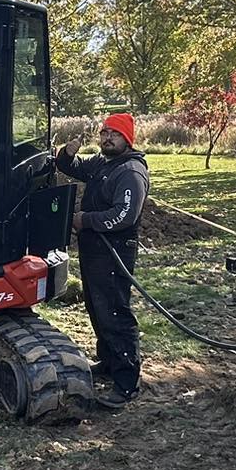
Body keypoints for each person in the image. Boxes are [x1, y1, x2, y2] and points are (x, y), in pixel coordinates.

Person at [56, 113, 150, 405]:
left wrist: (84, 220)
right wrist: (67, 153)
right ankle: (108, 362)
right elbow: (72, 167)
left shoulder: (131, 171)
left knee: (114, 313)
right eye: (105, 132)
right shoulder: (103, 162)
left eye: (115, 133)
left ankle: (126, 382)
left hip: (115, 251)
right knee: (97, 308)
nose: (108, 137)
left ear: (127, 139)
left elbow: (124, 216)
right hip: (95, 249)